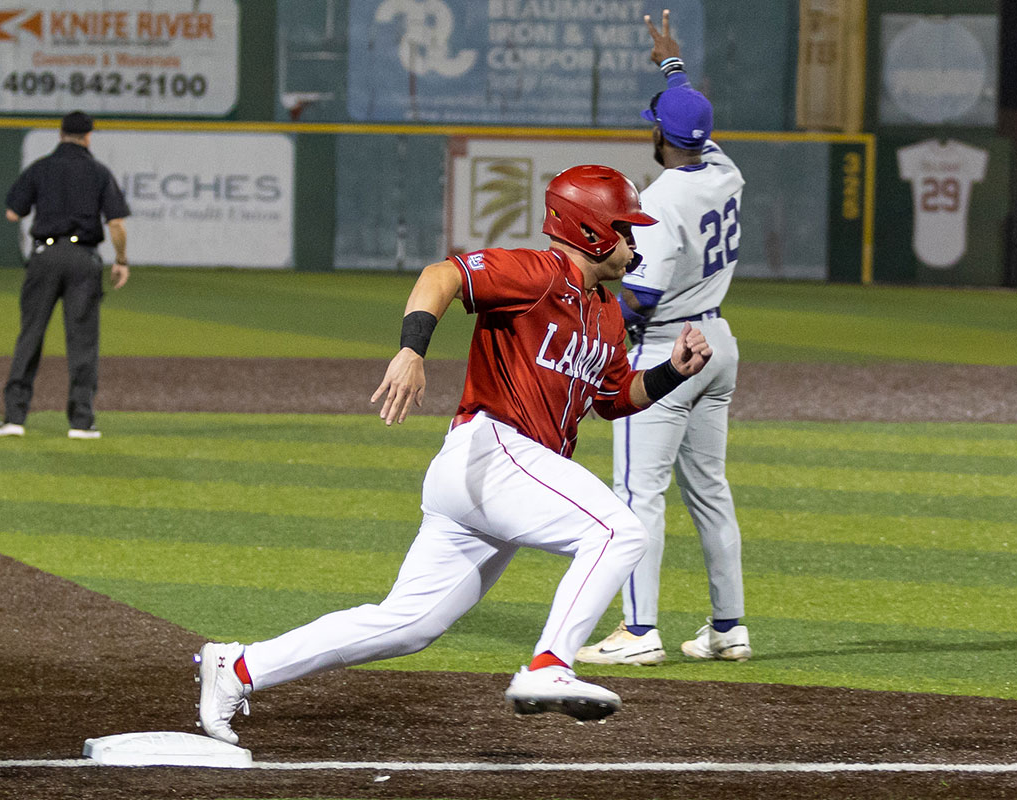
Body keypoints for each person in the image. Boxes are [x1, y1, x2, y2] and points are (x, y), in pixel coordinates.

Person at [194, 164, 714, 745]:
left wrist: (672, 372)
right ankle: (550, 667)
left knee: (410, 624)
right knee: (619, 532)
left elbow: (615, 398)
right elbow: (440, 276)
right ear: (591, 229)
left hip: (502, 479)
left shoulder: (606, 312)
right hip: (494, 450)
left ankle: (237, 667)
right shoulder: (537, 272)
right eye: (625, 229)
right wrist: (411, 351)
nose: (634, 242)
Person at [576, 10, 750, 667]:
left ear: (657, 134)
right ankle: (727, 627)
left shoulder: (660, 203)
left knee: (636, 494)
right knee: (711, 491)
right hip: (719, 342)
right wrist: (671, 63)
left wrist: (600, 357)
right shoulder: (724, 169)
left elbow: (638, 303)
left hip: (670, 351)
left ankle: (639, 631)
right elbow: (693, 122)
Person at [0, 110, 130, 440]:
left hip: (45, 256)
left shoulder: (41, 167)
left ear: (60, 134)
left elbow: (13, 213)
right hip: (83, 258)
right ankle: (81, 422)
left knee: (31, 335)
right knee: (83, 341)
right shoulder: (98, 172)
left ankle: (14, 418)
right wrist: (121, 259)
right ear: (88, 136)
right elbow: (117, 224)